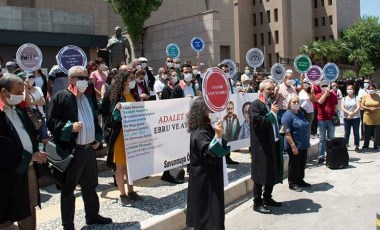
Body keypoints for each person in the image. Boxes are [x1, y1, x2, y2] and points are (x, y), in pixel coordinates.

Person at [46, 66, 112, 230]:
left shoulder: (88, 98)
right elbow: (51, 122)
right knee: (68, 190)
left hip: (89, 150)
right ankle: (68, 224)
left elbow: (95, 122)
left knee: (90, 185)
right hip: (73, 151)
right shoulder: (61, 97)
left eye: (85, 77)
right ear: (71, 80)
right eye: (80, 77)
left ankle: (92, 216)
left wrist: (97, 139)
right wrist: (70, 127)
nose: (84, 81)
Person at [0, 74, 48, 230]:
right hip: (8, 172)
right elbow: (3, 146)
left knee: (29, 206)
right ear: (4, 92)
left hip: (28, 169)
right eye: (17, 92)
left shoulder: (19, 111)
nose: (21, 95)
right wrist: (28, 156)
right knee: (8, 210)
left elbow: (29, 134)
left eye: (22, 91)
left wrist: (36, 151)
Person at [186, 97, 230, 230]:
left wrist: (219, 136)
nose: (211, 109)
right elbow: (210, 154)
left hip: (211, 179)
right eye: (208, 107)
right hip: (205, 182)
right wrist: (217, 136)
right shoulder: (200, 133)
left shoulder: (206, 127)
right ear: (202, 111)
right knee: (208, 216)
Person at [107, 71, 143, 206]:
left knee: (131, 165)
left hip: (132, 135)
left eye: (133, 78)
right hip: (120, 135)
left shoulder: (134, 95)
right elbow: (112, 117)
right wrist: (117, 110)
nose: (133, 81)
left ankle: (131, 191)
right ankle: (122, 194)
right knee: (120, 166)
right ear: (123, 81)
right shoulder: (118, 97)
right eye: (131, 78)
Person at [249, 79, 283, 214]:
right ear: (262, 90)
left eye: (273, 88)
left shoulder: (270, 103)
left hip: (273, 143)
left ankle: (267, 198)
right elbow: (258, 123)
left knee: (271, 171)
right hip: (261, 146)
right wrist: (272, 114)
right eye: (269, 89)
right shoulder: (255, 105)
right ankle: (257, 203)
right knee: (260, 174)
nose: (272, 91)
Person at [281, 94, 311, 192]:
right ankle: (292, 183)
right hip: (294, 145)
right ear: (289, 103)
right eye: (294, 102)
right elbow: (287, 133)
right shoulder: (287, 115)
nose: (296, 104)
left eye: (297, 102)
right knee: (294, 165)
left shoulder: (300, 113)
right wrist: (293, 146)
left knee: (302, 163)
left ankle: (300, 180)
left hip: (303, 144)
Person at [315, 80, 338, 163]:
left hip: (331, 120)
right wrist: (325, 93)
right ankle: (321, 155)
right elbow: (320, 101)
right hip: (321, 120)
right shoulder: (318, 95)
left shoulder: (334, 95)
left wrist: (333, 115)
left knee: (331, 137)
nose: (324, 87)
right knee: (322, 138)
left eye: (326, 86)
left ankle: (330, 154)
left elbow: (336, 106)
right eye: (323, 86)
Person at [24, 72, 49, 144]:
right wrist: (26, 88)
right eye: (29, 78)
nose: (31, 79)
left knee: (45, 139)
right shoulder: (22, 91)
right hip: (31, 118)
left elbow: (43, 102)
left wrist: (31, 103)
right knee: (33, 139)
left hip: (41, 116)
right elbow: (26, 101)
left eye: (33, 77)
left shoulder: (38, 88)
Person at [360, 83, 380, 151]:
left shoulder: (378, 96)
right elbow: (361, 105)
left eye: (372, 88)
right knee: (367, 132)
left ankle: (376, 145)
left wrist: (376, 108)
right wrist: (368, 108)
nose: (371, 90)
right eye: (370, 89)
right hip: (367, 115)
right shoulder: (365, 96)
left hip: (377, 116)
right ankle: (366, 145)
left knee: (376, 132)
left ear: (375, 89)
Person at [341, 85, 361, 152]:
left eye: (351, 89)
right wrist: (349, 113)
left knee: (356, 132)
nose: (349, 90)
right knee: (347, 132)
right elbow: (342, 108)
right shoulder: (344, 98)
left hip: (356, 118)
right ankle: (345, 145)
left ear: (353, 90)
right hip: (346, 118)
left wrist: (352, 114)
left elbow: (358, 107)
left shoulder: (357, 98)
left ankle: (357, 145)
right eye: (348, 89)